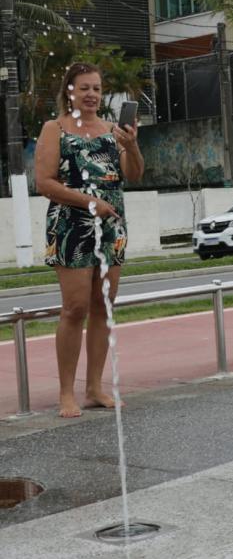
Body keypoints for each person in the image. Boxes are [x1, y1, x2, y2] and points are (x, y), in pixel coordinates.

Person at [34, 62, 144, 418]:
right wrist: (88, 202)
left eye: (96, 88)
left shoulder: (114, 131)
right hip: (70, 224)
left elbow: (134, 175)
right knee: (75, 308)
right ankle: (66, 392)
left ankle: (95, 388)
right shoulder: (55, 129)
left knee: (104, 305)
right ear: (70, 91)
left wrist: (133, 147)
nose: (92, 95)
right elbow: (45, 183)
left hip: (111, 224)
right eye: (84, 88)